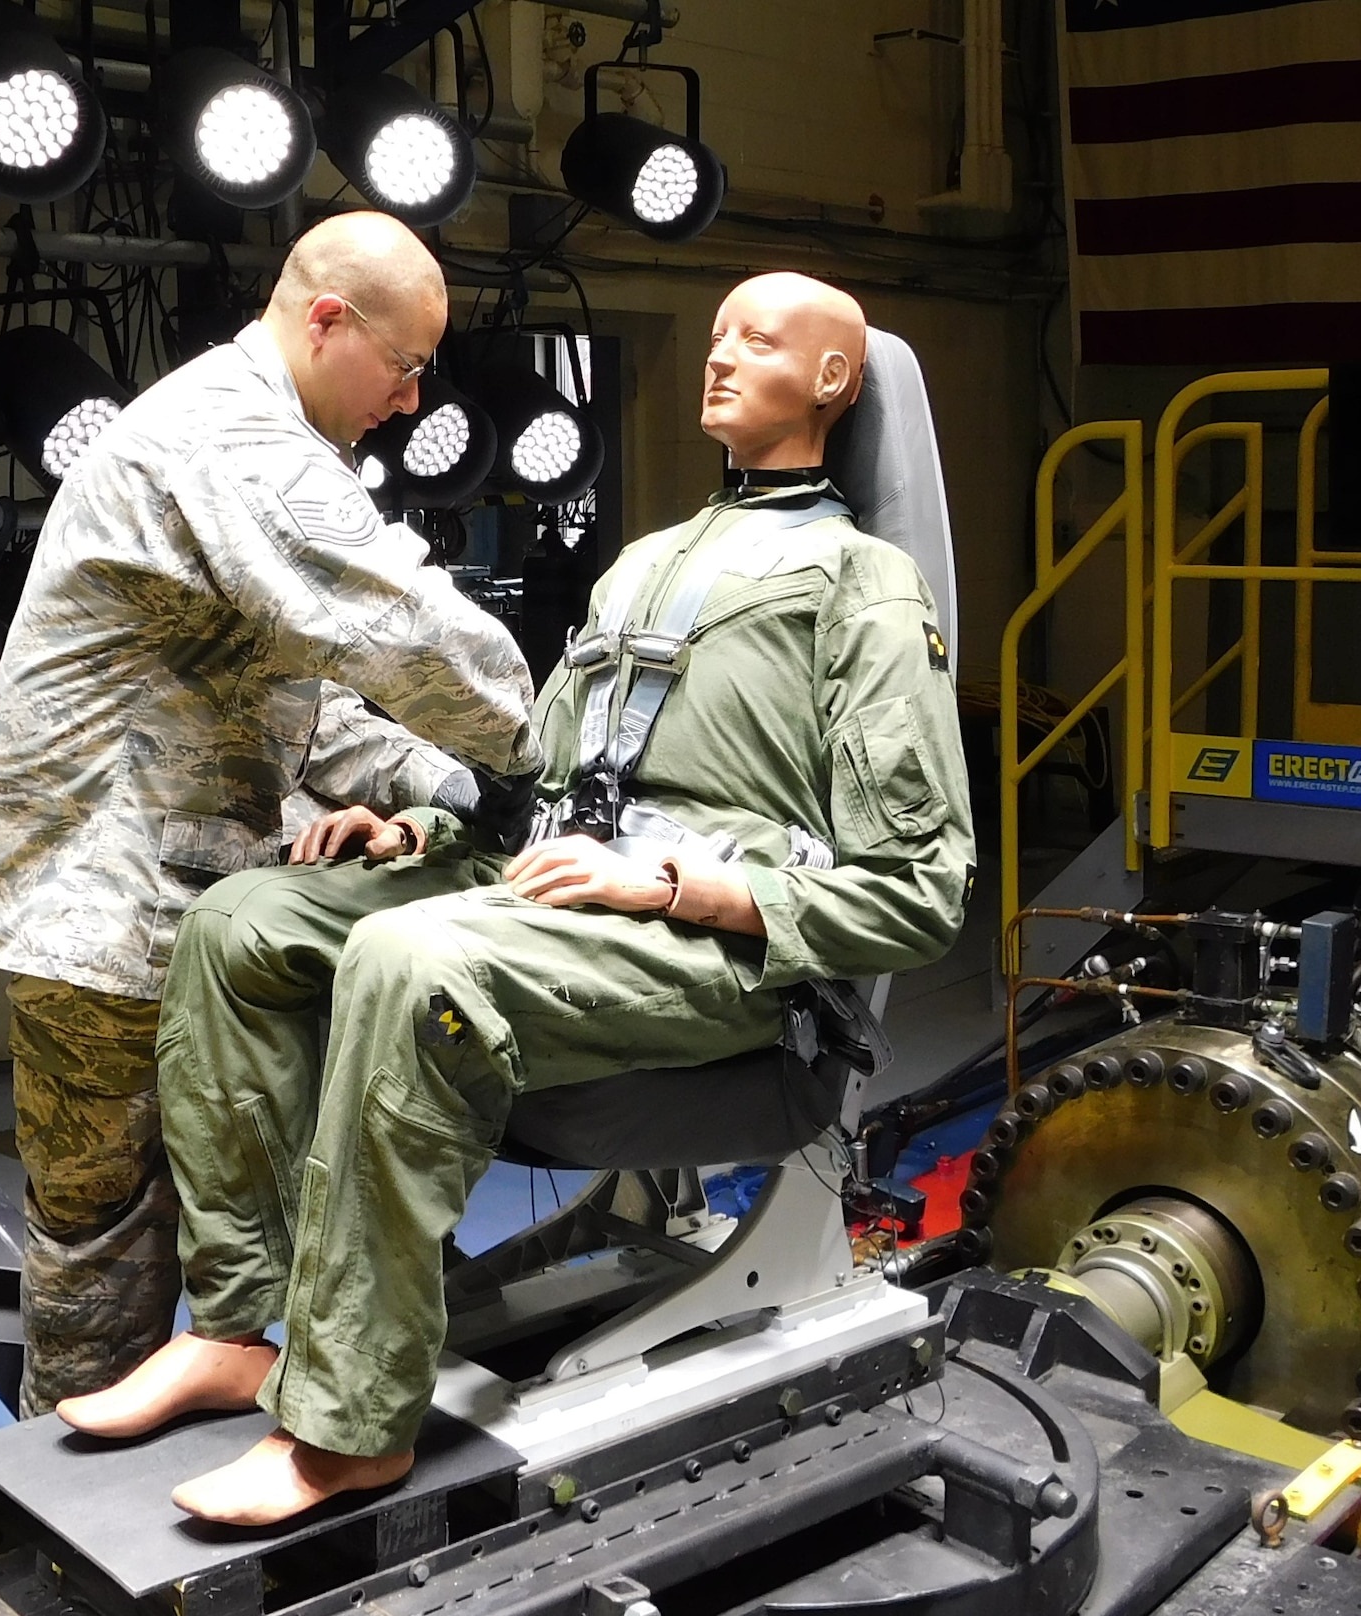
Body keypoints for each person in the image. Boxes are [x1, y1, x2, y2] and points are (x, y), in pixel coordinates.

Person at [58, 271, 975, 1525]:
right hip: (565, 896)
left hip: (722, 961)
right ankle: (232, 1327)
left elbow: (920, 889)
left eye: (754, 342)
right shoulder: (641, 569)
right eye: (712, 335)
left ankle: (346, 1426)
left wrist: (673, 882)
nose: (715, 359)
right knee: (245, 924)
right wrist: (421, 823)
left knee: (413, 956)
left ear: (830, 380)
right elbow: (542, 781)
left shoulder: (861, 586)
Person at [0, 212, 538, 1418]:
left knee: (186, 1214)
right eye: (403, 363)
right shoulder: (231, 434)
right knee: (103, 1253)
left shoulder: (251, 440)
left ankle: (174, 1435)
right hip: (98, 905)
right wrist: (552, 749)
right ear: (327, 320)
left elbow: (314, 708)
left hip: (168, 895)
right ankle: (76, 1530)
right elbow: (399, 624)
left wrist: (457, 789)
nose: (412, 397)